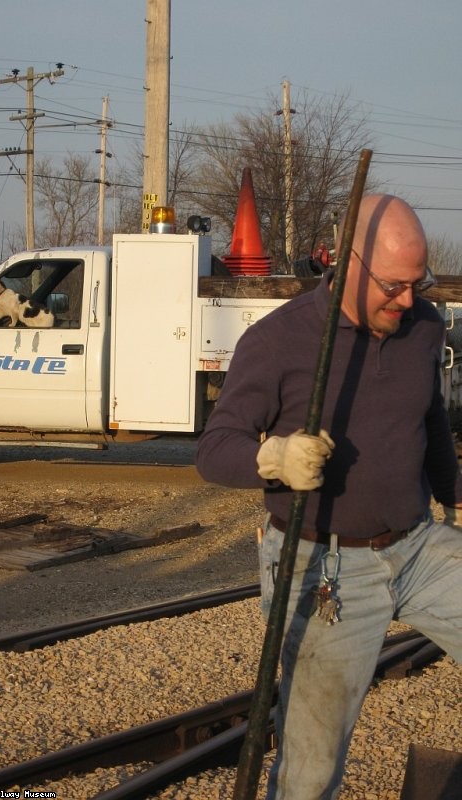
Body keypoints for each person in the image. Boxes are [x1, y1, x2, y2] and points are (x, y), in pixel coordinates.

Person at [196, 194, 462, 800]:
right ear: (347, 264)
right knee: (310, 774)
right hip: (325, 569)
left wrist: (454, 492)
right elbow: (215, 450)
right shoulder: (280, 341)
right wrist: (274, 459)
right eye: (393, 286)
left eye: (416, 283)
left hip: (418, 546)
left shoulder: (423, 326)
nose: (407, 299)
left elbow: (431, 419)